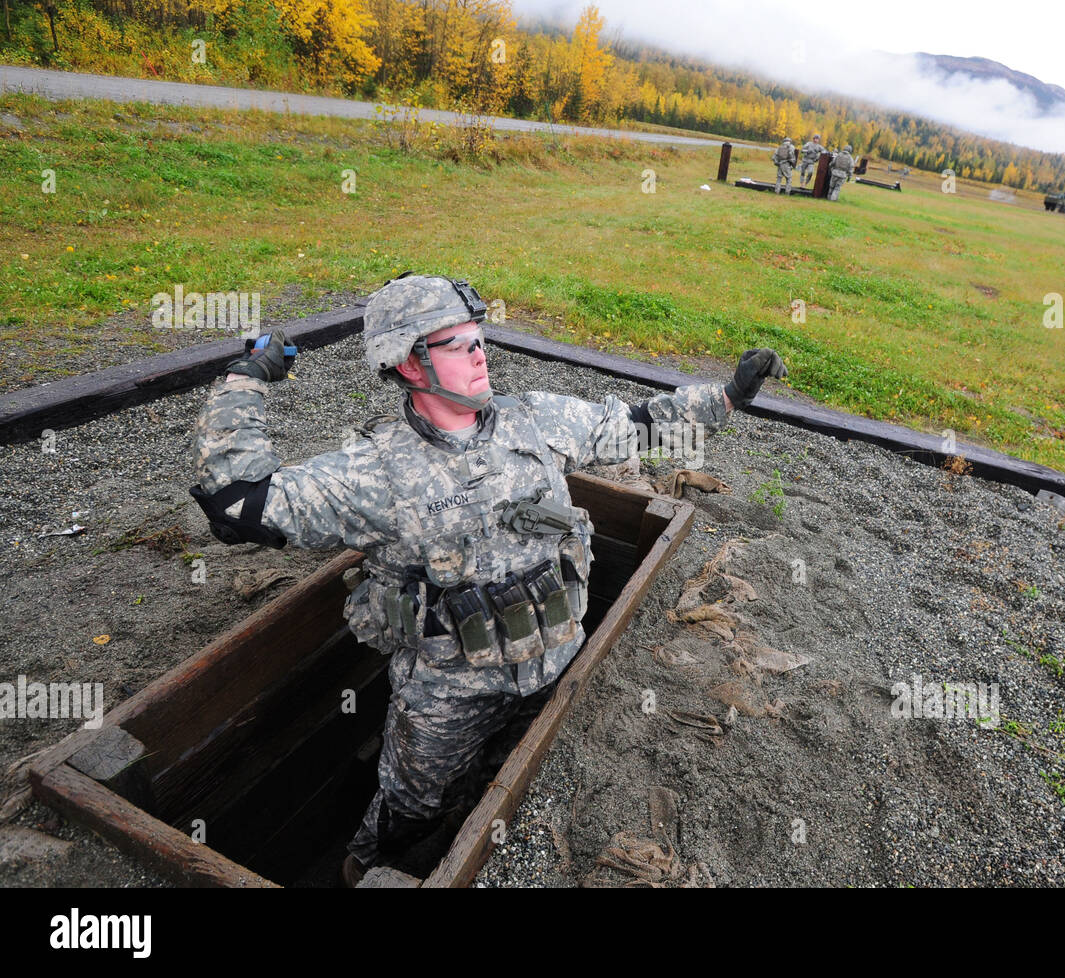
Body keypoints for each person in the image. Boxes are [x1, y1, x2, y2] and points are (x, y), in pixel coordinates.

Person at [188, 274, 789, 886]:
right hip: (449, 692)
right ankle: (365, 870)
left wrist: (729, 397)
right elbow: (239, 504)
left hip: (556, 660)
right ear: (407, 363)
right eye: (454, 343)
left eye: (478, 338)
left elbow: (639, 425)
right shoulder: (372, 473)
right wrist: (247, 380)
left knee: (513, 774)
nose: (479, 353)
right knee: (411, 803)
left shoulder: (536, 419)